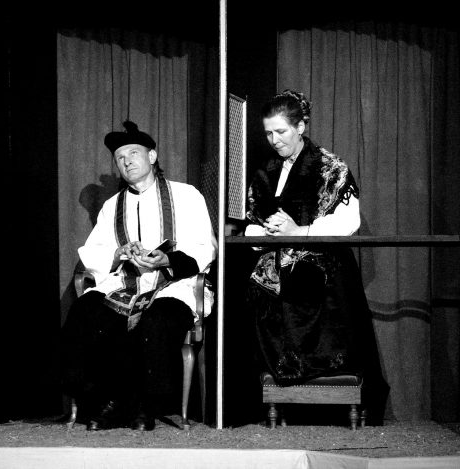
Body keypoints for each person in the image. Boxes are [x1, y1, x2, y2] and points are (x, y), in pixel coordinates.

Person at [59, 120, 217, 431]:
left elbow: (205, 246)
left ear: (152, 156)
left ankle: (145, 404)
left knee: (156, 319)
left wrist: (166, 259)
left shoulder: (186, 195)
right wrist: (118, 253)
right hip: (126, 283)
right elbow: (97, 251)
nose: (127, 161)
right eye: (120, 157)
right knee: (86, 311)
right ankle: (108, 400)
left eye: (134, 153)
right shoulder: (112, 206)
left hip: (174, 284)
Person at [245, 90, 389, 424]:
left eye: (281, 131)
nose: (274, 140)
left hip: (323, 270)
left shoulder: (329, 167)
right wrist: (265, 231)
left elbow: (347, 222)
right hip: (275, 267)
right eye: (268, 133)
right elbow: (251, 223)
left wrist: (299, 231)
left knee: (310, 296)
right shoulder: (266, 170)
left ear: (301, 126)